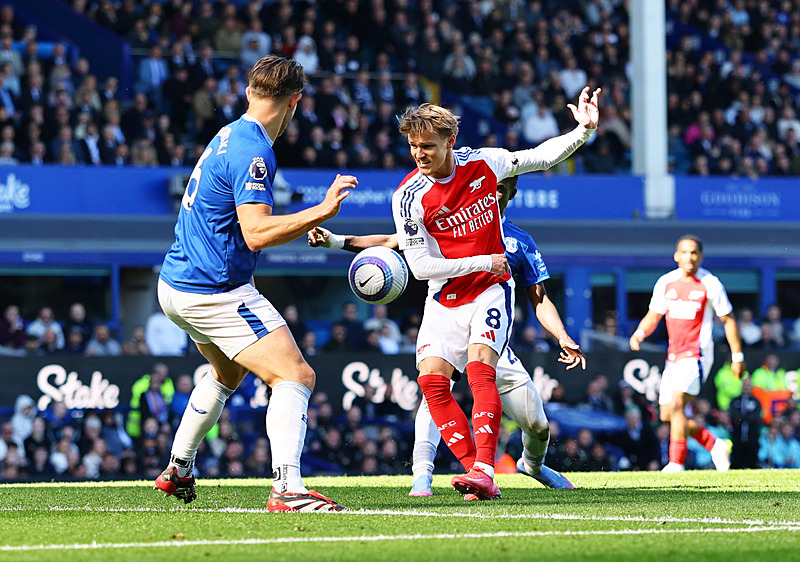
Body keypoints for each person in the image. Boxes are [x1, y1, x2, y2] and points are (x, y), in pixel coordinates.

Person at [154, 55, 355, 512]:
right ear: (296, 103)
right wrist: (321, 211)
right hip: (214, 291)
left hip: (175, 285)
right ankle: (287, 489)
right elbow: (256, 233)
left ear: (249, 93)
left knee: (227, 374)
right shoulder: (255, 151)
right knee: (295, 375)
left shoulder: (229, 133)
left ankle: (179, 468)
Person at [308, 173, 587, 497]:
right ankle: (422, 478)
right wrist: (334, 240)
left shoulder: (518, 241)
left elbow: (538, 297)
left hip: (493, 341)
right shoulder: (452, 225)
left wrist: (562, 335)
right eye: (490, 188)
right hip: (450, 327)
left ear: (512, 192)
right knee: (433, 389)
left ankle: (533, 466)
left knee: (538, 426)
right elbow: (390, 241)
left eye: (501, 189)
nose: (494, 194)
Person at [384, 90, 598, 500]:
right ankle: (476, 472)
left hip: (490, 292)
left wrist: (583, 130)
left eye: (427, 146)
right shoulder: (407, 197)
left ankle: (487, 468)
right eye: (413, 146)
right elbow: (420, 267)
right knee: (432, 383)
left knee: (482, 367)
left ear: (449, 142)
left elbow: (541, 157)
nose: (419, 154)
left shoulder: (484, 162)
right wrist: (480, 261)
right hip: (445, 295)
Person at [630, 234, 745, 473]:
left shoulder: (710, 283)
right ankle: (714, 444)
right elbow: (654, 315)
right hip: (673, 357)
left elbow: (728, 319)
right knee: (666, 415)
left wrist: (737, 356)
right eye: (684, 252)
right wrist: (640, 332)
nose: (689, 257)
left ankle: (676, 462)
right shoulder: (666, 283)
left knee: (678, 405)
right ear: (676, 256)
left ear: (701, 256)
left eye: (694, 253)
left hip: (698, 355)